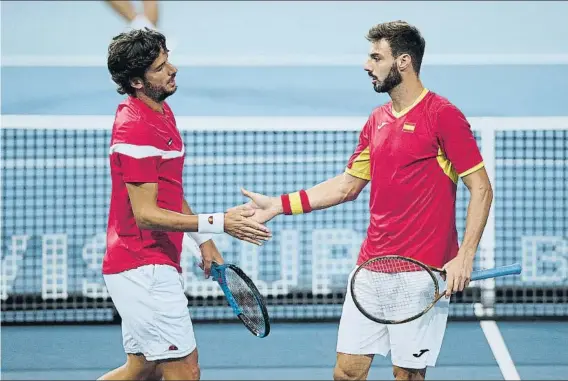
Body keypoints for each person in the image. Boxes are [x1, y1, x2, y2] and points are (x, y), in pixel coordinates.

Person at [238, 21, 493, 381]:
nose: (366, 64)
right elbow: (346, 186)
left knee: (407, 375)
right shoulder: (377, 120)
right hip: (371, 269)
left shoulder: (442, 115)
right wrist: (280, 205)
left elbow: (481, 188)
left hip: (422, 275)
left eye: (376, 57)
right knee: (347, 372)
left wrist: (464, 255)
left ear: (403, 61)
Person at [99, 28, 272, 381]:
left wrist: (204, 240)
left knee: (142, 369)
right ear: (136, 81)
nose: (172, 69)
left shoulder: (160, 112)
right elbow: (145, 215)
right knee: (185, 372)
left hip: (152, 260)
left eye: (168, 61)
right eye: (160, 67)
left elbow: (169, 190)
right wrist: (220, 222)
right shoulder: (135, 129)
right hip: (142, 266)